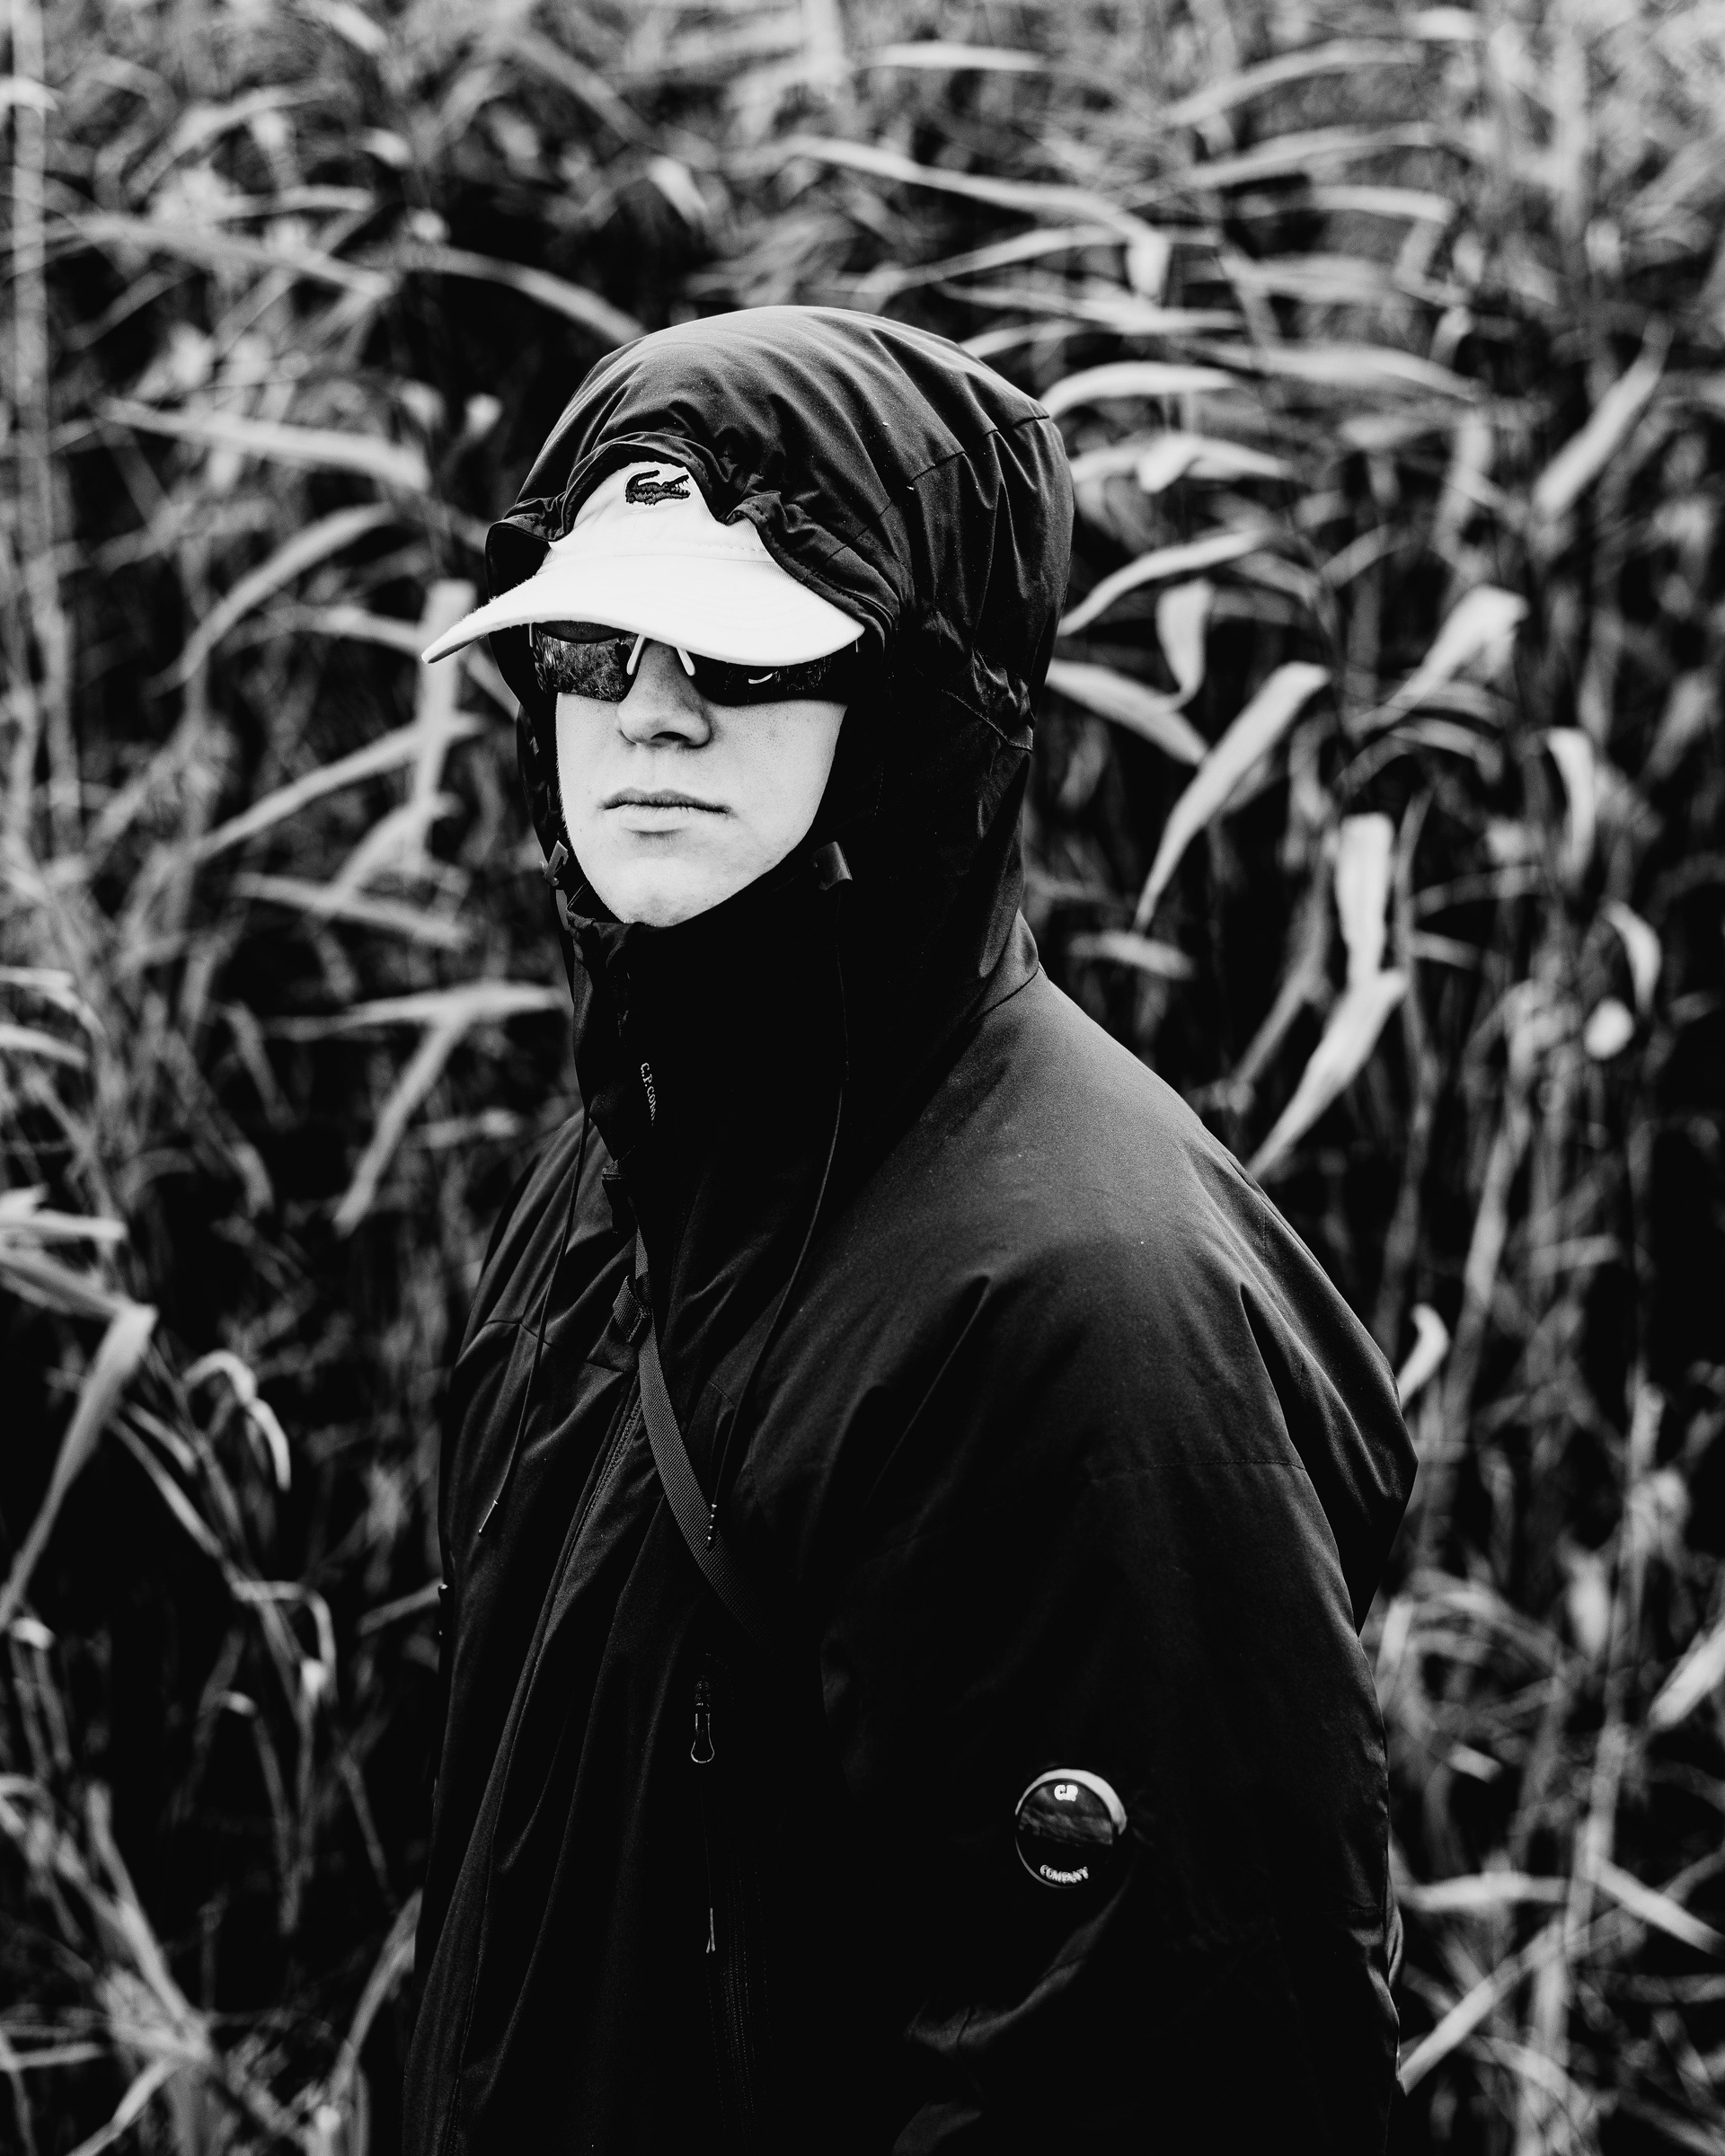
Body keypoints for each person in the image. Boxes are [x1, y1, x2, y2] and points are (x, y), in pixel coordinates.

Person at [403, 305, 1416, 2153]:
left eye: (745, 645)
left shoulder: (1084, 1316)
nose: (652, 705)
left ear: (918, 702)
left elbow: (1167, 2068)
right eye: (591, 638)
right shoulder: (613, 1181)